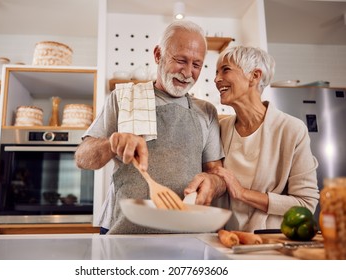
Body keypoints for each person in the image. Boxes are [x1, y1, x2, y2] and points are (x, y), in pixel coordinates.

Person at [75, 20, 226, 234]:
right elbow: (83, 158)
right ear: (158, 55)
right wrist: (111, 144)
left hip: (186, 234)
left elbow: (218, 175)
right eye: (181, 60)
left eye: (197, 65)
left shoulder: (206, 112)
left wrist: (213, 182)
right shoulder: (123, 99)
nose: (187, 72)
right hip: (124, 230)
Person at [213, 46, 320, 232]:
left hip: (269, 240)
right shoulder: (220, 129)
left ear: (254, 76)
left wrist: (243, 193)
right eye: (216, 72)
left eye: (226, 69)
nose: (216, 79)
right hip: (225, 238)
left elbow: (305, 204)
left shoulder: (291, 130)